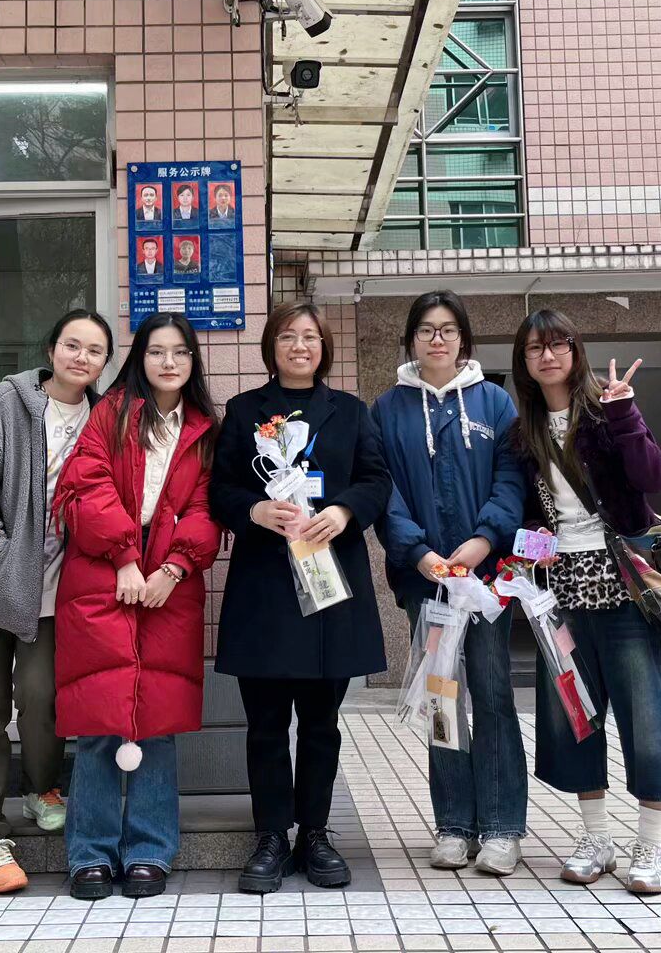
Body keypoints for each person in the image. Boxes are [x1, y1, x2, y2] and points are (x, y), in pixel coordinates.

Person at [210, 302, 392, 894]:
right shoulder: (244, 411)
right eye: (288, 336)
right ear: (272, 346)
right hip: (265, 585)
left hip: (328, 583)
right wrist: (254, 510)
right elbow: (220, 489)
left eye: (310, 336)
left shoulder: (350, 411)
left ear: (324, 347)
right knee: (264, 724)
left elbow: (376, 480)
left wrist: (344, 511)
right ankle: (270, 835)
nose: (299, 346)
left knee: (320, 723)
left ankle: (315, 832)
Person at [0, 309, 114, 895]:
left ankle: (42, 788)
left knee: (43, 697)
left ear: (105, 363)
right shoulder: (3, 404)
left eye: (94, 351)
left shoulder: (105, 420)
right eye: (72, 345)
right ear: (51, 349)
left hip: (55, 594)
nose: (81, 358)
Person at [509, 308, 661, 896]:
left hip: (626, 588)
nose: (548, 356)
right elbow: (530, 512)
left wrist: (626, 413)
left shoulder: (607, 411)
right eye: (535, 348)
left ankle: (652, 846)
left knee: (647, 716)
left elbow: (655, 478)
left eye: (558, 344)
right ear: (524, 362)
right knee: (575, 717)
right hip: (563, 592)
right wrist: (532, 551)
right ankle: (596, 839)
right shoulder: (523, 432)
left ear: (575, 350)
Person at [51, 312, 222, 900]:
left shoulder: (205, 429)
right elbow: (86, 485)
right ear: (139, 359)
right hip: (102, 575)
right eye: (156, 352)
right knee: (100, 720)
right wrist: (126, 556)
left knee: (158, 722)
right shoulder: (112, 412)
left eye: (180, 352)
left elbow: (206, 507)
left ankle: (150, 849)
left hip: (170, 584)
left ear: (193, 361)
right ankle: (90, 853)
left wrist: (174, 568)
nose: (168, 363)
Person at [372, 290, 529, 876]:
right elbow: (383, 490)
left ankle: (503, 827)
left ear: (463, 338)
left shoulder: (494, 402)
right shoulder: (387, 409)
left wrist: (486, 539)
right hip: (428, 583)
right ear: (411, 339)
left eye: (448, 329)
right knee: (443, 699)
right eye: (426, 329)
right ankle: (454, 825)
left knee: (492, 694)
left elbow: (511, 481)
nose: (437, 339)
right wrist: (417, 553)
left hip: (485, 583)